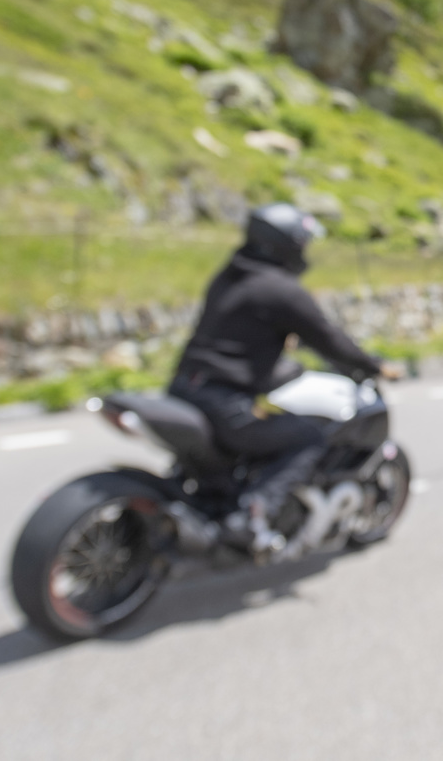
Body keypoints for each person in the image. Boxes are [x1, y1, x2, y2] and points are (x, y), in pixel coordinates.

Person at [169, 203, 400, 553]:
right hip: (226, 403)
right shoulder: (281, 290)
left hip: (186, 386)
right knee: (307, 438)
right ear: (286, 245)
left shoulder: (230, 275)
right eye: (302, 243)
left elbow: (241, 331)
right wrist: (374, 366)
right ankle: (253, 515)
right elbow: (328, 338)